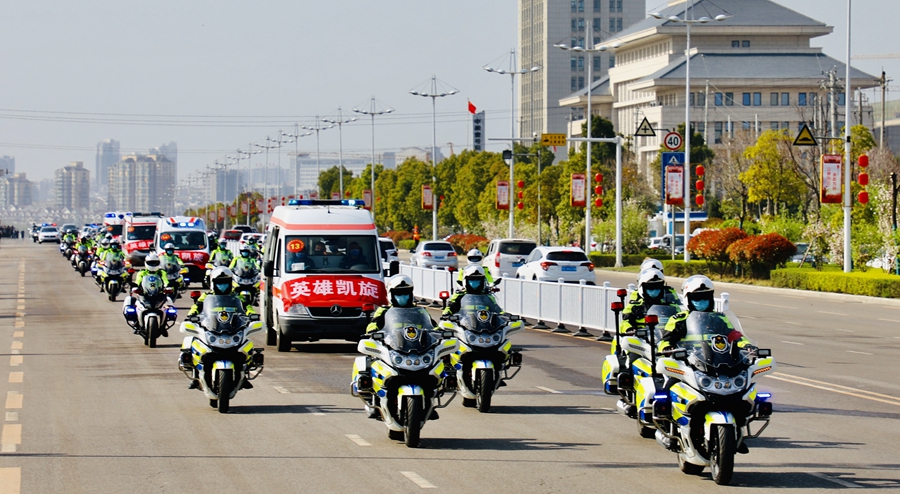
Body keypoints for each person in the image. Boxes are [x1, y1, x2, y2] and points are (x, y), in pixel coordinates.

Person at [183, 267, 255, 389]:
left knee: (246, 349)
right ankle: (196, 376)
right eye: (219, 282)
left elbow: (247, 307)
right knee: (193, 345)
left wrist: (252, 315)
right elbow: (196, 307)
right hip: (212, 328)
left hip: (232, 329)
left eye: (226, 282)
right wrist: (191, 315)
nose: (223, 285)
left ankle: (243, 376)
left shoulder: (236, 297)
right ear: (212, 283)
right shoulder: (206, 296)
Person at [658, 275, 755, 353]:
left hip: (717, 360)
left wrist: (746, 345)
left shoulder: (719, 318)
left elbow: (734, 335)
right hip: (688, 361)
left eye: (706, 297)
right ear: (688, 299)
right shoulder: (679, 319)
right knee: (671, 377)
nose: (702, 301)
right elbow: (666, 340)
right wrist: (667, 347)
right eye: (697, 298)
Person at [366, 275, 435, 334]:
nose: (403, 296)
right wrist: (372, 330)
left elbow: (433, 325)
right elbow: (373, 324)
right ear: (391, 295)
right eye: (398, 293)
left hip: (419, 345)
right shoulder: (384, 310)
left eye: (406, 293)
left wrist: (440, 331)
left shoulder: (420, 311)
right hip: (391, 344)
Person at [124, 253, 171, 336]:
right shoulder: (142, 272)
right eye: (150, 263)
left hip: (159, 295)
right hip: (144, 295)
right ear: (146, 263)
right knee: (131, 305)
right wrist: (135, 287)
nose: (153, 265)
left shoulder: (161, 272)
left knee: (170, 307)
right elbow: (138, 281)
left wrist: (168, 287)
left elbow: (165, 280)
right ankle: (135, 323)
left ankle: (163, 325)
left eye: (155, 263)